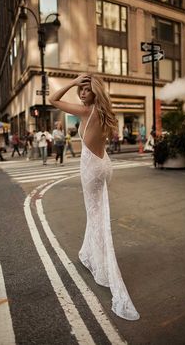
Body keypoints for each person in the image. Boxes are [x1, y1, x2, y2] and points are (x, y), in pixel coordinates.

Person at [49, 73, 140, 321]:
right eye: (81, 90)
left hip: (91, 166)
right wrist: (80, 85)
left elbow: (53, 99)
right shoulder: (103, 112)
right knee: (98, 214)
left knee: (96, 216)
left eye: (86, 90)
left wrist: (72, 82)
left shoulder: (86, 112)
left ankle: (103, 265)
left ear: (95, 92)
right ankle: (92, 255)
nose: (81, 94)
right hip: (103, 163)